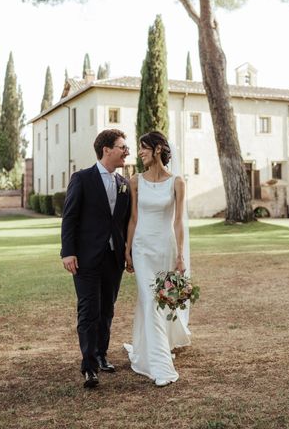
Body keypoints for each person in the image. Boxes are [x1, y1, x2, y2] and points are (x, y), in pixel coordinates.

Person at [60, 129, 131, 389]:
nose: (127, 151)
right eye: (123, 147)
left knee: (107, 311)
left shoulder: (124, 184)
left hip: (113, 260)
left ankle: (101, 355)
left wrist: (127, 252)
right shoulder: (82, 178)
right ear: (106, 150)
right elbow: (70, 217)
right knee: (89, 312)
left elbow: (124, 222)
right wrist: (68, 251)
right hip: (86, 259)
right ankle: (89, 367)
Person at [123, 131, 191, 387]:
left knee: (159, 302)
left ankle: (151, 346)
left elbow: (178, 221)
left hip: (165, 247)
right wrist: (128, 249)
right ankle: (162, 366)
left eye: (143, 148)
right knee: (150, 299)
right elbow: (133, 218)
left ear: (158, 149)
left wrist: (180, 256)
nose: (139, 153)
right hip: (141, 248)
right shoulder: (135, 181)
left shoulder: (177, 182)